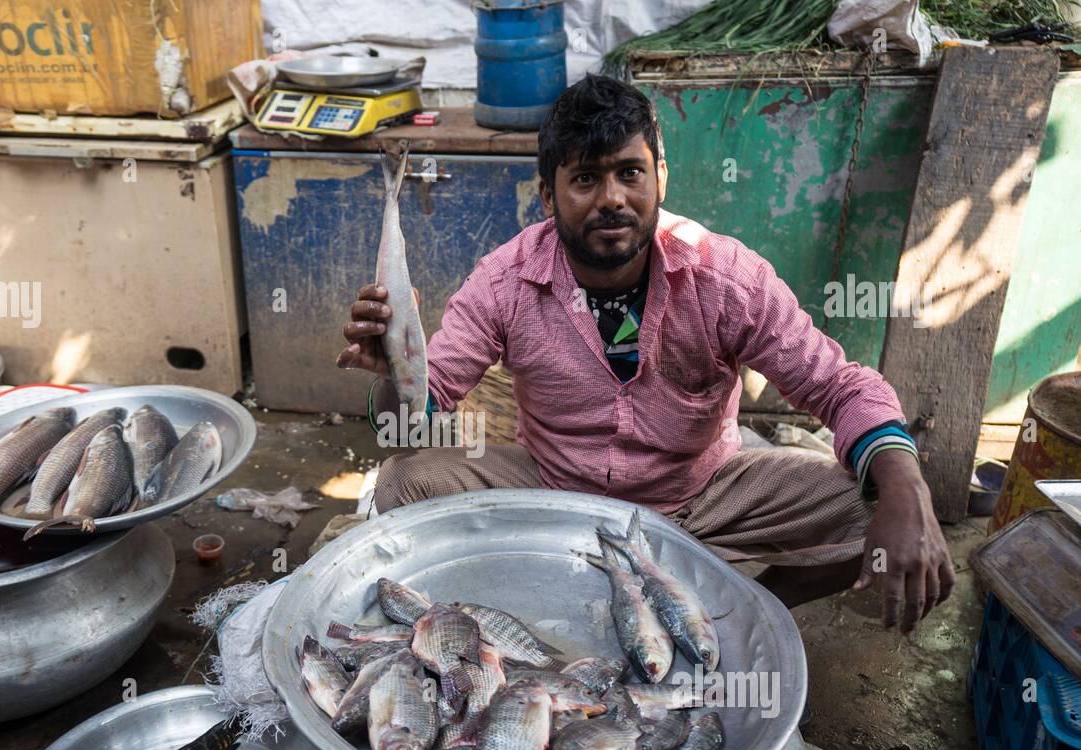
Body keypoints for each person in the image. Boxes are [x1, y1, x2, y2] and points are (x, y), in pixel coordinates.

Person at [337, 74, 953, 633]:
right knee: (403, 488)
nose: (611, 198)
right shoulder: (506, 280)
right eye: (584, 178)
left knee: (871, 501)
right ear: (549, 198)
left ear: (660, 176)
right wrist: (397, 370)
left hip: (705, 496)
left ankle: (741, 617)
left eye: (629, 172)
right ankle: (509, 619)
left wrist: (910, 490)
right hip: (553, 493)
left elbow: (840, 387)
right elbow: (411, 423)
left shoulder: (724, 276)